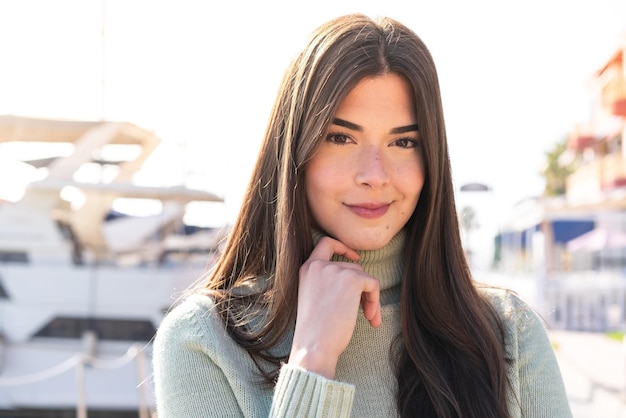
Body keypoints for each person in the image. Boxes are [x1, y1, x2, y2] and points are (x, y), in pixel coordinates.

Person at [152, 13, 572, 418]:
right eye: (340, 137)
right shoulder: (204, 340)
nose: (375, 175)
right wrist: (312, 361)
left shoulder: (506, 331)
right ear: (294, 151)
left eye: (404, 143)